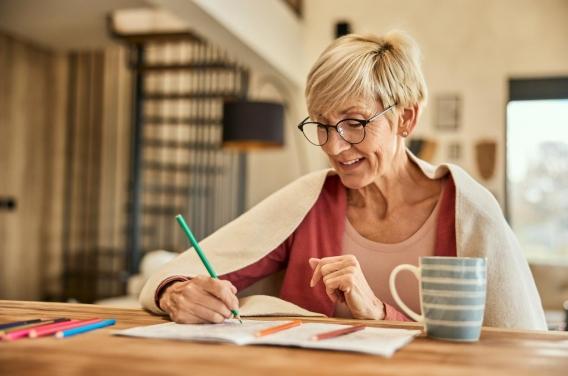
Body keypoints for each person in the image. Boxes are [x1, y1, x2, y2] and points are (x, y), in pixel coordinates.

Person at [139, 31, 547, 330]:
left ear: (406, 118)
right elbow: (178, 274)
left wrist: (378, 312)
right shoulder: (309, 199)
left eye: (353, 122)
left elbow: (515, 346)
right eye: (321, 124)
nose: (334, 147)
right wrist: (179, 294)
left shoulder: (469, 212)